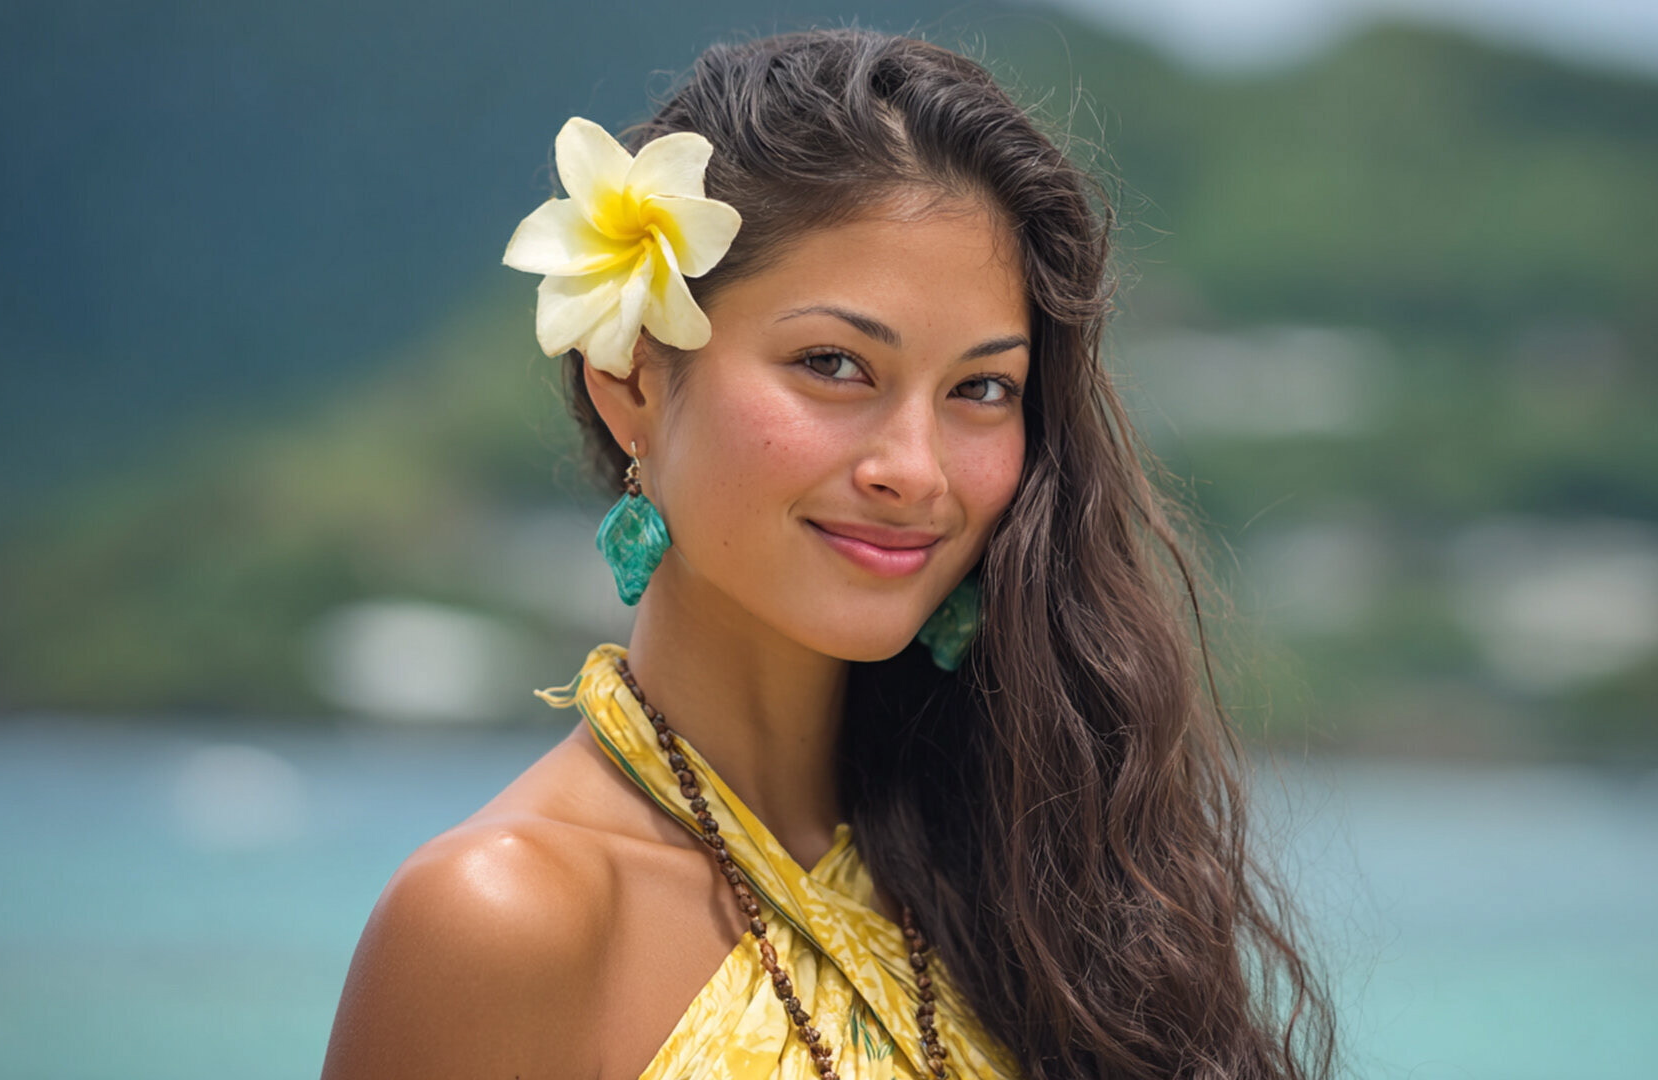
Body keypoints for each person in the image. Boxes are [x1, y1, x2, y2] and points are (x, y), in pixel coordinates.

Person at [321, 26, 1335, 1080]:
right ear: (627, 380)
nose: (916, 469)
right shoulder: (503, 920)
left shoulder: (1035, 885)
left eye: (979, 389)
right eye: (833, 364)